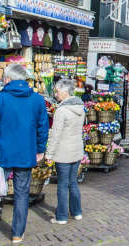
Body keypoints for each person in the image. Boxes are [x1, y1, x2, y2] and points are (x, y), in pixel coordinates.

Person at [0, 64, 49, 244]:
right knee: (22, 194)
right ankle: (17, 233)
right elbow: (42, 128)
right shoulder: (37, 100)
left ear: (8, 78)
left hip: (2, 154)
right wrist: (40, 149)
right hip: (26, 154)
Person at [47, 79, 84, 225]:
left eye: (57, 91)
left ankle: (61, 216)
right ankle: (77, 212)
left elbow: (56, 134)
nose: (56, 94)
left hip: (63, 152)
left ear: (65, 92)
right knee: (72, 182)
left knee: (62, 185)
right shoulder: (80, 108)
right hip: (76, 150)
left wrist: (49, 154)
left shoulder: (62, 111)